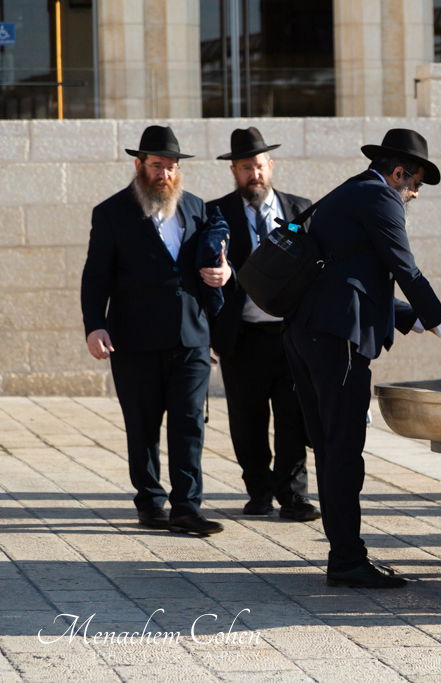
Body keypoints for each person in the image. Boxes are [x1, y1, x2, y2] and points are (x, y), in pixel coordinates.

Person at [283, 128, 441, 589]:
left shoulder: (348, 192)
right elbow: (405, 270)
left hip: (307, 333)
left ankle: (343, 554)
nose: (414, 194)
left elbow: (353, 281)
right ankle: (347, 559)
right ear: (398, 171)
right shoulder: (381, 198)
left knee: (331, 449)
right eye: (415, 184)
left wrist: (419, 322)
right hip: (337, 342)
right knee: (343, 450)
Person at [81, 125, 231, 536]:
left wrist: (224, 272)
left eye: (171, 167)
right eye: (157, 166)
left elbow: (215, 259)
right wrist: (95, 326)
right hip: (134, 337)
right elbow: (96, 277)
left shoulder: (197, 208)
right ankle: (150, 501)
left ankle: (187, 506)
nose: (165, 174)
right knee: (143, 424)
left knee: (189, 422)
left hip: (191, 336)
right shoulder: (111, 213)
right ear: (139, 165)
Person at [207, 127, 319, 522]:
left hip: (291, 334)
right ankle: (258, 491)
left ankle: (293, 496)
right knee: (247, 418)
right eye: (244, 168)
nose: (253, 174)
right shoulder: (216, 212)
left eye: (258, 165)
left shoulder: (299, 209)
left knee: (294, 416)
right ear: (234, 172)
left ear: (270, 165)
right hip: (243, 337)